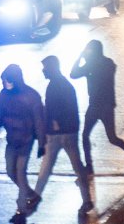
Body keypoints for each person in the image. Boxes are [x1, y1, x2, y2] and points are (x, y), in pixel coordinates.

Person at [0, 62, 46, 217]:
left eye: (8, 80)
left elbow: (39, 120)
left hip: (26, 140)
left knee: (20, 172)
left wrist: (41, 143)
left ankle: (22, 207)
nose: (5, 83)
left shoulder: (31, 96)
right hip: (12, 140)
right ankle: (32, 196)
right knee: (11, 171)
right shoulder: (4, 95)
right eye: (4, 80)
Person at [70, 40, 124, 169]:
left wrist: (80, 57)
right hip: (99, 105)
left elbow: (73, 74)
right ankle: (90, 165)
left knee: (104, 137)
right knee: (95, 136)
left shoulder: (95, 65)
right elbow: (73, 75)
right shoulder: (106, 63)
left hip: (103, 105)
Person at [32, 53, 90, 198]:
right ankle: (86, 198)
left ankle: (35, 196)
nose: (43, 71)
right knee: (77, 166)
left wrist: (50, 128)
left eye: (45, 68)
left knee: (45, 168)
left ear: (51, 68)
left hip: (57, 134)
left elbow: (53, 111)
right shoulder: (65, 84)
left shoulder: (54, 86)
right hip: (69, 132)